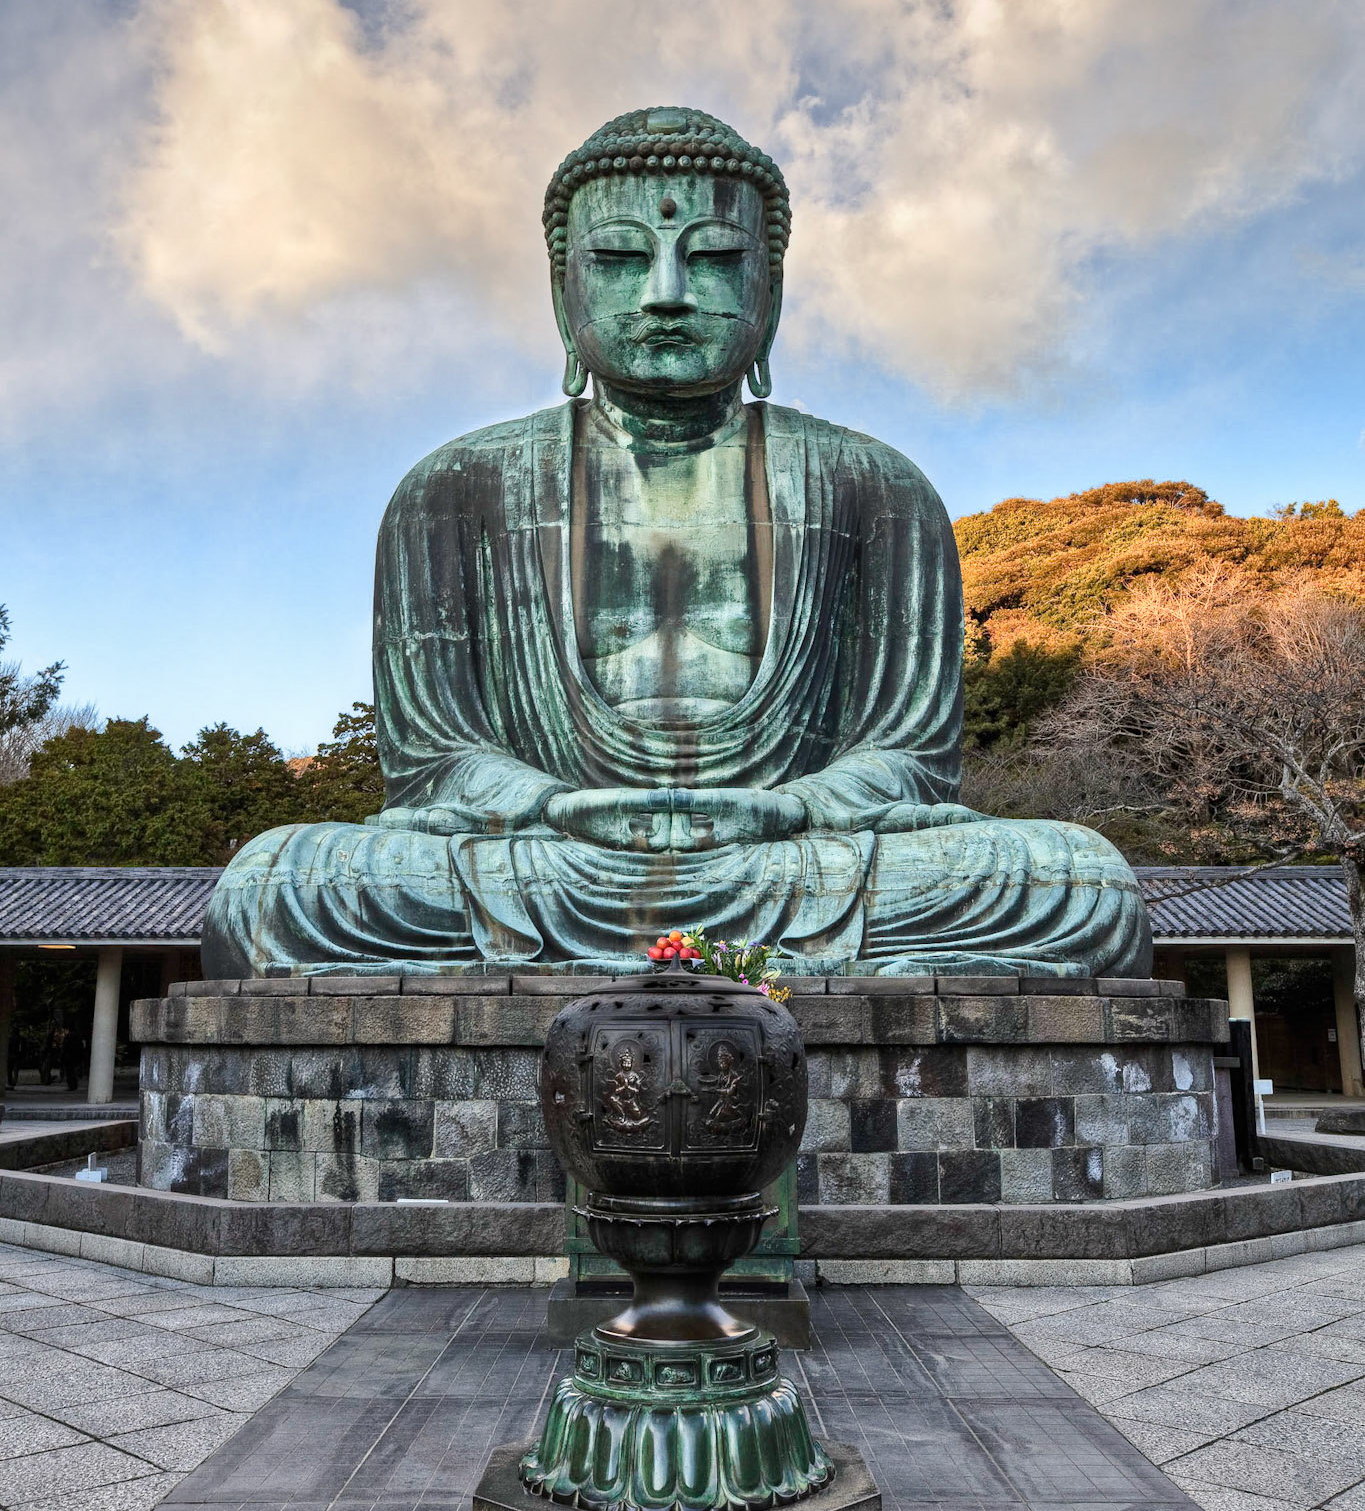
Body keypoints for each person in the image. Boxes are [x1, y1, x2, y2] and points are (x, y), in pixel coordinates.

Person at [204, 107, 1150, 979]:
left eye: (711, 259)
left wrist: (792, 807)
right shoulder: (453, 490)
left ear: (767, 291)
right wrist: (550, 807)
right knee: (275, 888)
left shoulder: (878, 489)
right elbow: (435, 760)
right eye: (619, 258)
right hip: (550, 858)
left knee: (1078, 883)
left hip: (794, 856)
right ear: (561, 292)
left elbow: (908, 758)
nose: (664, 293)